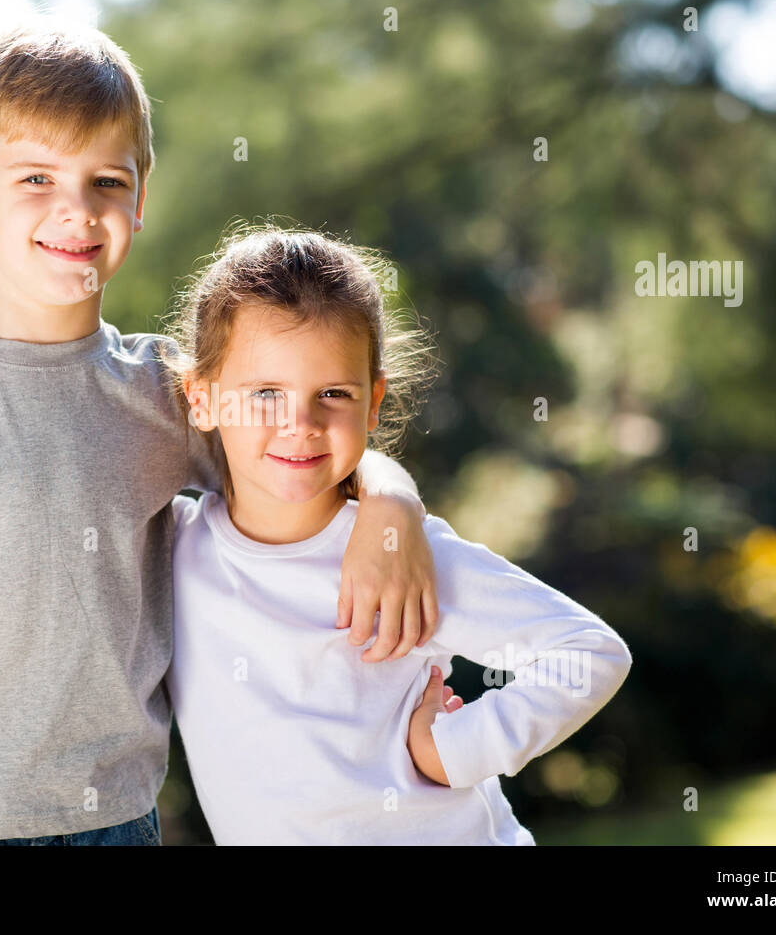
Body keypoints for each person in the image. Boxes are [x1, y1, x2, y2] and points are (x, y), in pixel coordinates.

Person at [0, 25, 438, 847]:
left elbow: (305, 441)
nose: (76, 211)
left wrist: (393, 501)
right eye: (36, 178)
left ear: (140, 196)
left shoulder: (172, 390)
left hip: (113, 822)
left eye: (106, 181)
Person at [157, 222, 634, 843]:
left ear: (373, 402)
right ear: (202, 399)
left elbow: (589, 654)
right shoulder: (174, 549)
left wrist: (456, 752)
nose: (301, 424)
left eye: (333, 392)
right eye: (266, 393)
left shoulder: (400, 554)